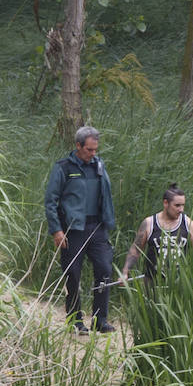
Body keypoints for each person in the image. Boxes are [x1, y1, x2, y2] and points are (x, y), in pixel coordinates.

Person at [43, 125, 118, 335]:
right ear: (78, 146)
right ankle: (75, 320)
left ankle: (100, 319)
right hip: (73, 230)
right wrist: (56, 230)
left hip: (97, 228)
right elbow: (50, 201)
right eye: (89, 150)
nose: (93, 154)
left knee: (104, 270)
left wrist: (108, 221)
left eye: (95, 150)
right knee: (73, 274)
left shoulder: (99, 165)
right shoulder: (64, 167)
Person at [121, 183, 193, 285]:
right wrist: (125, 272)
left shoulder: (188, 224)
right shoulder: (149, 224)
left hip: (179, 284)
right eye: (177, 205)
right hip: (152, 282)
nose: (181, 210)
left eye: (183, 205)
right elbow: (135, 250)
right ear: (166, 203)